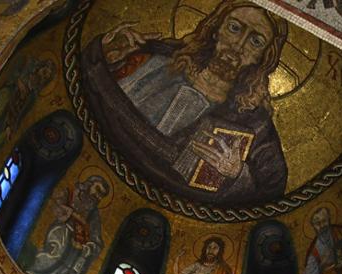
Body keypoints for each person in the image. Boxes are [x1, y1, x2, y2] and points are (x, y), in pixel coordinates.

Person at [81, 1, 289, 206]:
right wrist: (108, 53)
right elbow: (93, 84)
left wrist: (238, 174)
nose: (238, 46)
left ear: (263, 58)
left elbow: (270, 191)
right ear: (216, 29)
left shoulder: (254, 124)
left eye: (256, 42)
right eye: (234, 28)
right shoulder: (152, 60)